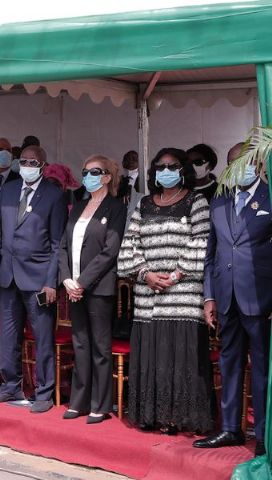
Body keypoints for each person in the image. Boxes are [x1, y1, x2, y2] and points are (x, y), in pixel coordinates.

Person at [118, 147, 213, 435]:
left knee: (180, 357)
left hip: (183, 295)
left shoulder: (196, 202)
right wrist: (146, 274)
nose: (166, 171)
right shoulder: (144, 204)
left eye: (172, 166)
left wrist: (175, 275)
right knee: (152, 357)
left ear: (183, 170)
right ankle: (150, 415)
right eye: (160, 166)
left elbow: (202, 242)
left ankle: (178, 418)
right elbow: (129, 244)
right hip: (148, 296)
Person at [194, 143, 272, 456]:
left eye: (245, 162)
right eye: (232, 163)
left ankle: (265, 435)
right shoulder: (220, 200)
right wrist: (209, 297)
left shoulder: (269, 197)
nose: (240, 168)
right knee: (229, 364)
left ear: (259, 163)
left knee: (264, 368)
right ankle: (229, 429)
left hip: (261, 299)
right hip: (226, 299)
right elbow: (211, 255)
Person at [0, 145, 67, 412]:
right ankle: (10, 386)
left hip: (38, 278)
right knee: (9, 335)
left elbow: (57, 244)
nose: (27, 166)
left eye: (33, 162)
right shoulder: (8, 190)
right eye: (24, 161)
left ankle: (43, 392)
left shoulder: (53, 195)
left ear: (43, 165)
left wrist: (50, 282)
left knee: (42, 337)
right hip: (8, 276)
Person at [59, 155, 126, 423]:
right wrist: (66, 279)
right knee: (80, 343)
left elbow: (110, 250)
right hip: (73, 286)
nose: (87, 176)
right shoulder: (77, 206)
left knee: (100, 346)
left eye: (94, 172)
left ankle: (101, 404)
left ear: (107, 177)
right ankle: (79, 401)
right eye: (85, 171)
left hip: (97, 288)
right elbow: (62, 245)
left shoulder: (116, 208)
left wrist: (83, 282)